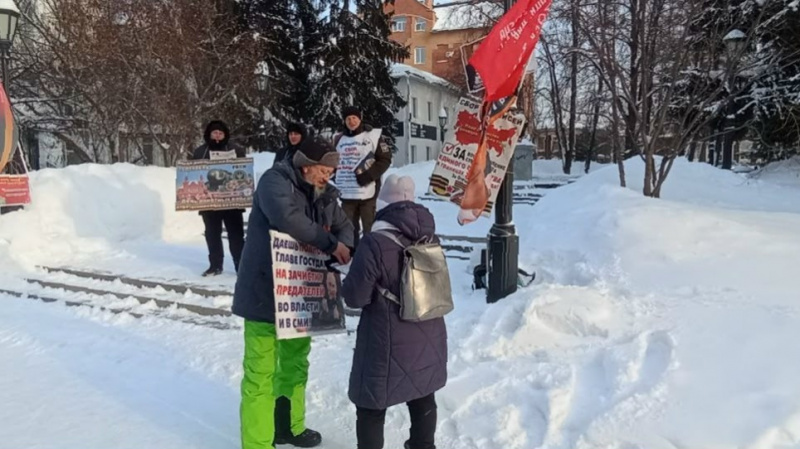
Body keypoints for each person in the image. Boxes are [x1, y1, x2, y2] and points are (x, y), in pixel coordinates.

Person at [233, 136, 354, 449]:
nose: (328, 176)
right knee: (260, 373)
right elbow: (289, 220)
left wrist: (345, 244)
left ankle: (288, 426)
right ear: (307, 165)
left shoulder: (324, 192)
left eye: (331, 172)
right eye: (325, 170)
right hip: (263, 292)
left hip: (301, 296)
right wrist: (331, 244)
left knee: (295, 364)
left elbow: (344, 224)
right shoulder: (274, 181)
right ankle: (258, 444)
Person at [342, 174, 448, 449]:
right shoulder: (431, 237)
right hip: (428, 328)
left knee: (371, 404)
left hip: (385, 336)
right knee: (423, 393)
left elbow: (355, 297)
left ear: (382, 204)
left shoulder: (374, 242)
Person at [190, 120, 246, 277]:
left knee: (236, 235)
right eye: (215, 133)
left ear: (225, 135)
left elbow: (243, 172)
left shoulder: (236, 150)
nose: (217, 136)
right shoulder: (200, 152)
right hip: (209, 203)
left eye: (220, 133)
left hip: (232, 203)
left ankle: (241, 266)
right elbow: (194, 174)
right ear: (209, 134)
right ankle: (215, 265)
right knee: (212, 235)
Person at [333, 106, 392, 249]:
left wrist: (369, 176)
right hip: (347, 193)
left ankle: (369, 254)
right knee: (347, 229)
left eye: (354, 118)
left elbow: (385, 159)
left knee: (369, 229)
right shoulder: (339, 139)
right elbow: (333, 162)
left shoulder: (372, 136)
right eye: (348, 119)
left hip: (367, 192)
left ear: (360, 119)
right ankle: (350, 254)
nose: (351, 121)